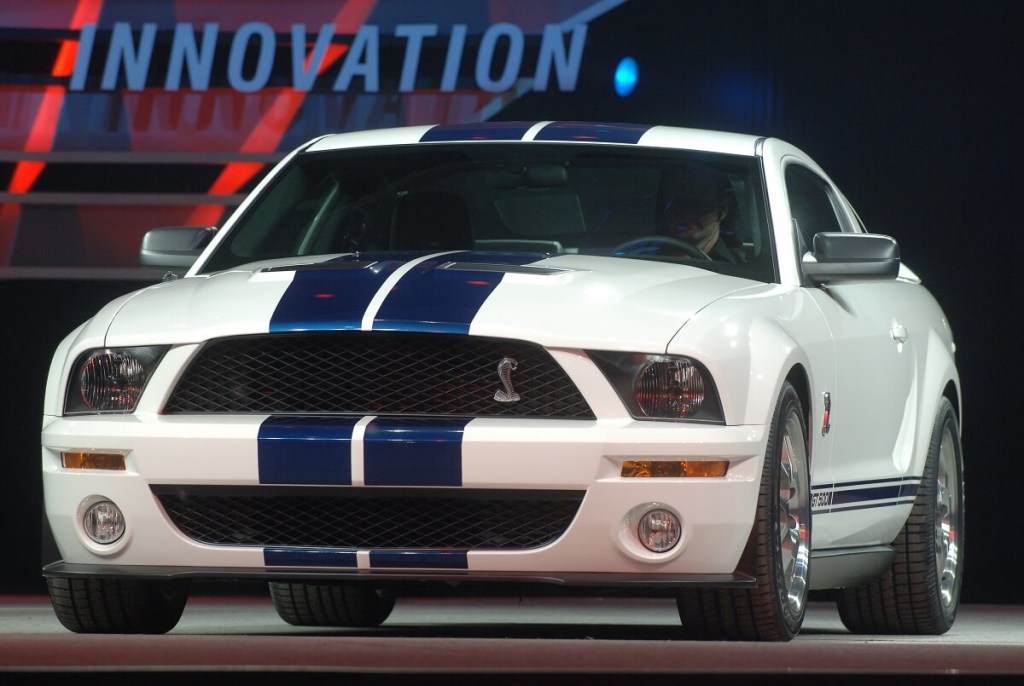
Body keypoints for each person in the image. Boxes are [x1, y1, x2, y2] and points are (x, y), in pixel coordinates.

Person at [657, 162, 743, 262]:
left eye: (698, 204)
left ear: (724, 209)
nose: (686, 213)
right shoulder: (641, 255)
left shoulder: (738, 271)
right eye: (678, 204)